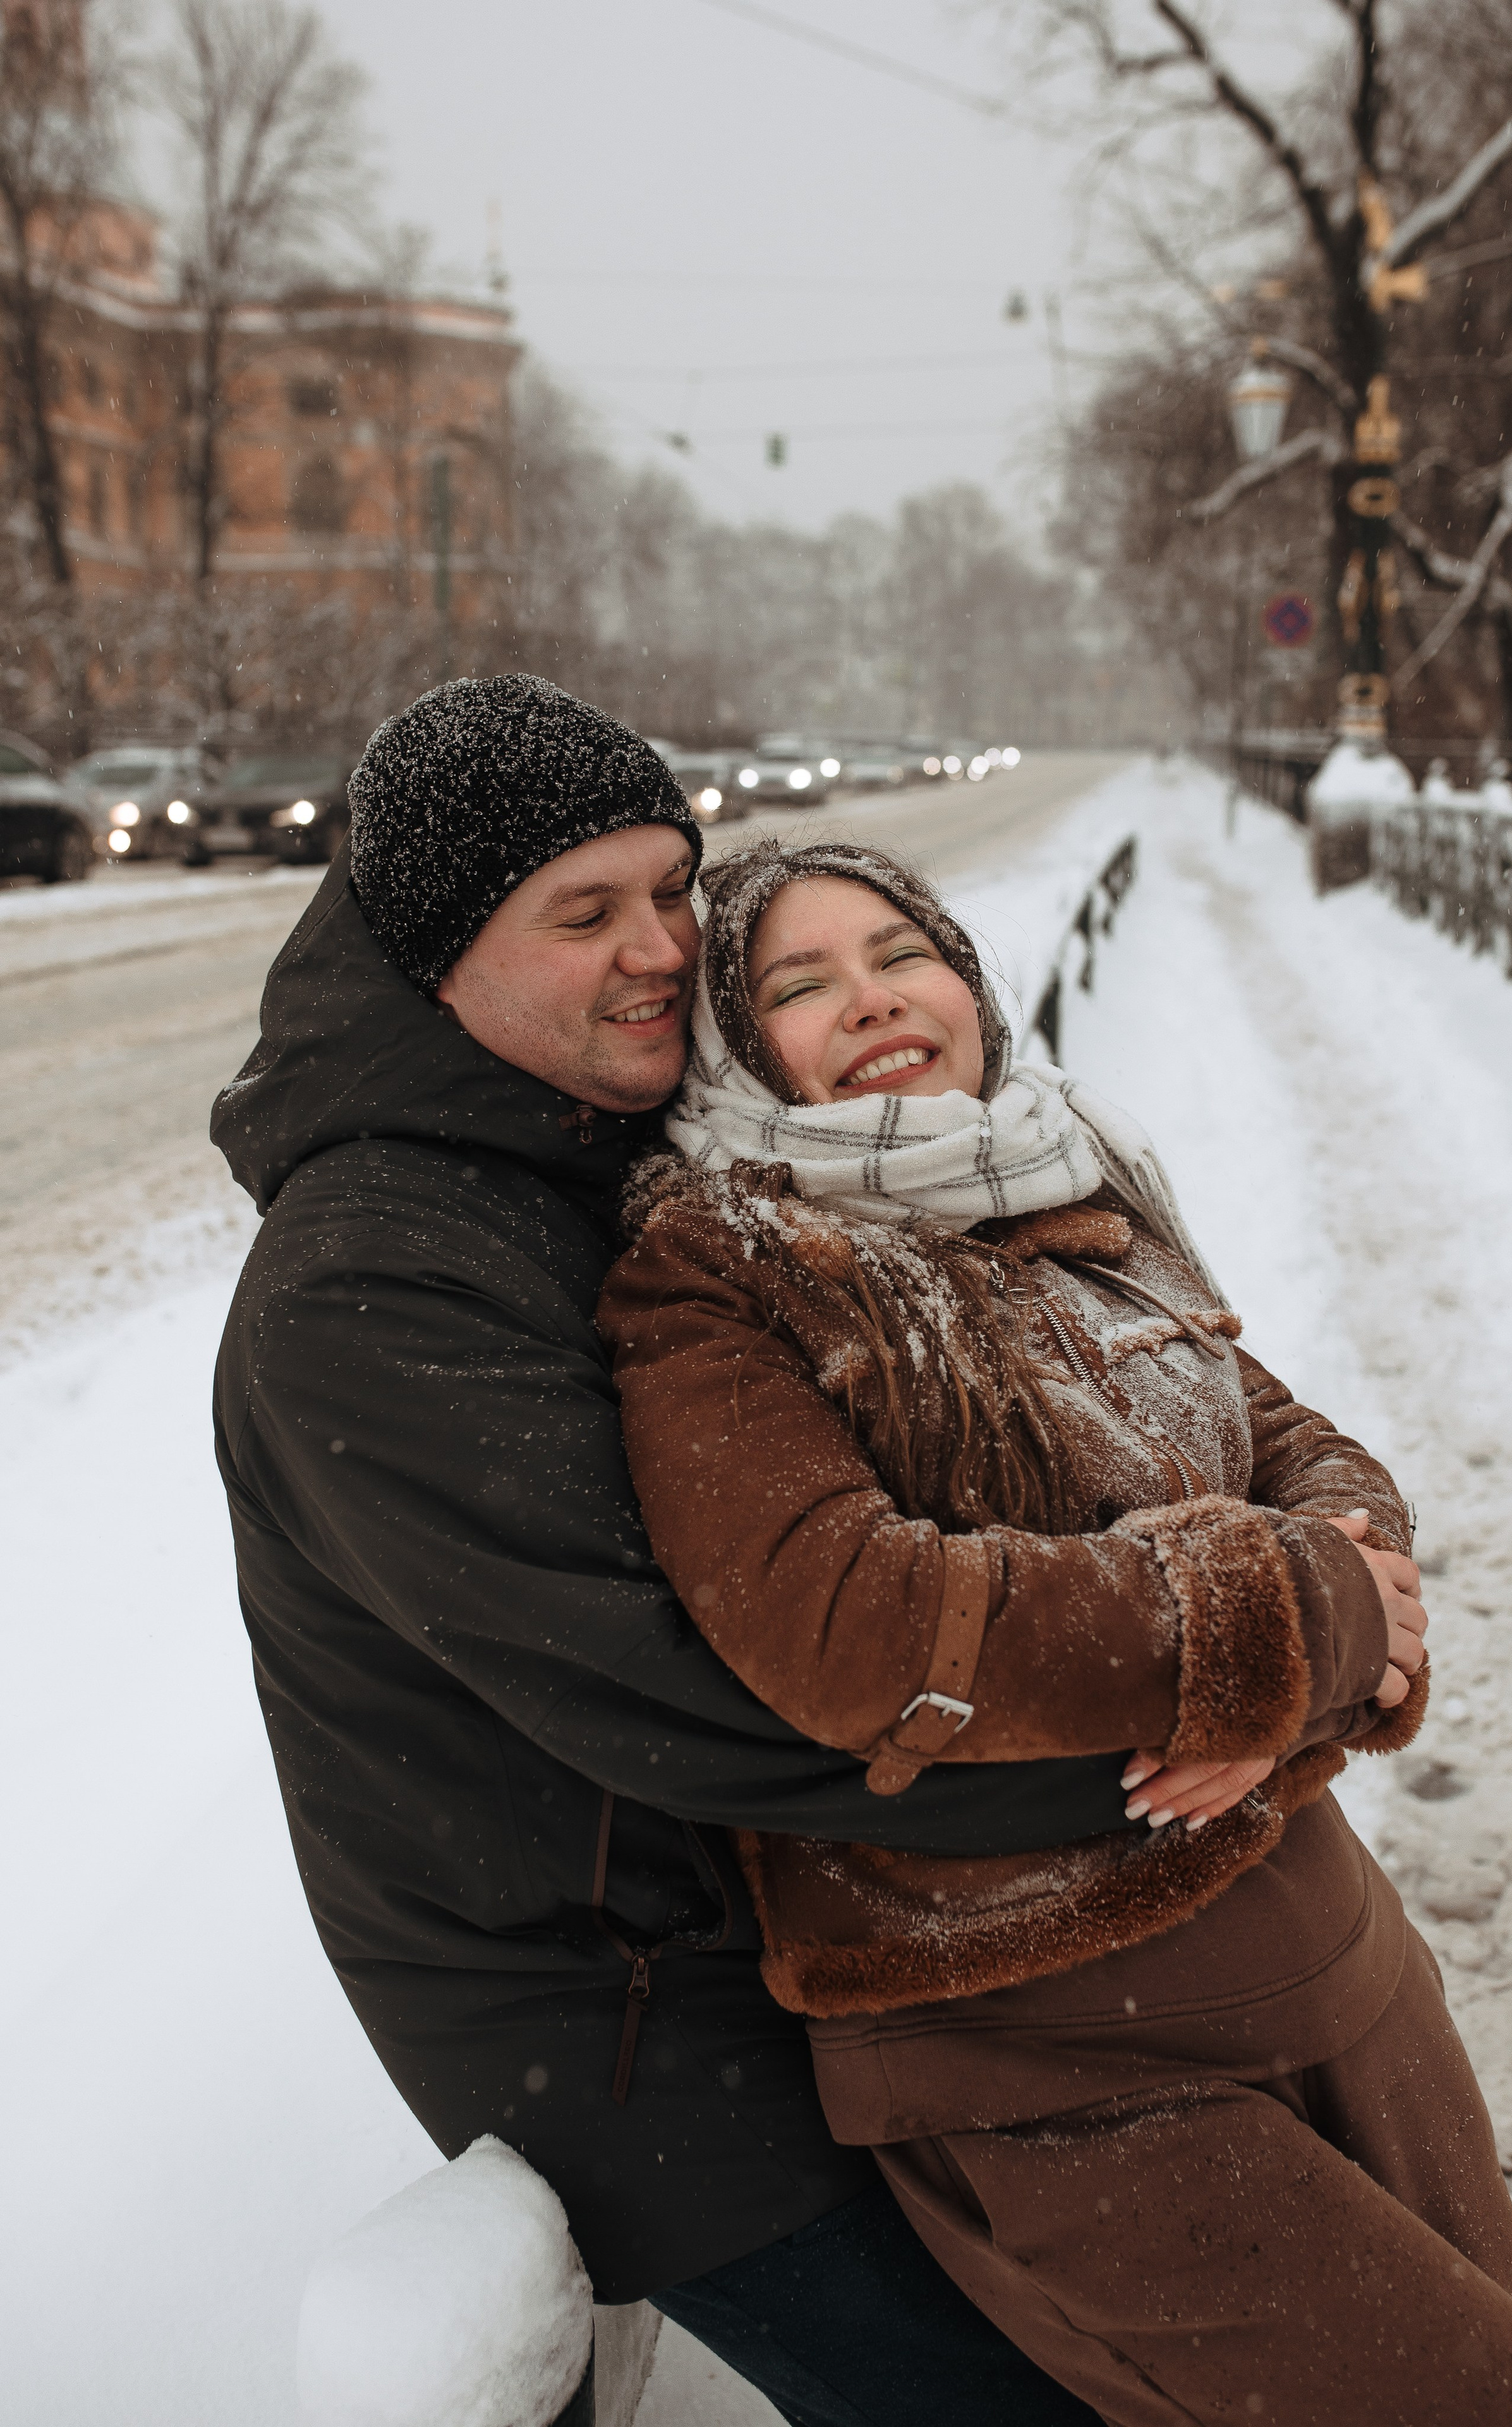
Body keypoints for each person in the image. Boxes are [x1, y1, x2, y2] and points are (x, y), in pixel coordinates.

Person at [596, 833, 1512, 2426]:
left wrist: (1320, 1626)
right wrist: (1274, 1623)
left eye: (899, 951)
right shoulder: (720, 1272)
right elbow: (850, 1624)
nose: (870, 999)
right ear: (738, 1050)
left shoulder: (1065, 1174)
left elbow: (1292, 1445)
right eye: (797, 984)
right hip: (1048, 2048)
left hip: (1328, 1951)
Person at [212, 676, 1126, 2427]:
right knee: (1035, 2394)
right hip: (638, 2038)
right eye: (587, 910)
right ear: (440, 951)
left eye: (671, 889)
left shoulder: (590, 1146)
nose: (660, 948)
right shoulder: (373, 1277)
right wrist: (1157, 1753)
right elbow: (695, 1684)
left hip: (791, 1918)